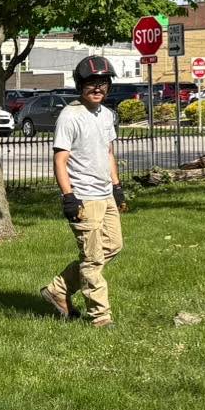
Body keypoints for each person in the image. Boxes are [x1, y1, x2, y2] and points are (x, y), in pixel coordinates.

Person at [39, 55, 124, 327]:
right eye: (91, 84)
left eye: (103, 83)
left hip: (105, 194)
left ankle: (58, 289)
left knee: (113, 246)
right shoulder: (70, 115)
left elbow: (108, 152)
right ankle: (101, 316)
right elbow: (60, 160)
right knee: (92, 258)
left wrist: (117, 186)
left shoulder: (107, 115)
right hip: (84, 197)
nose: (98, 88)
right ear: (80, 85)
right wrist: (68, 196)